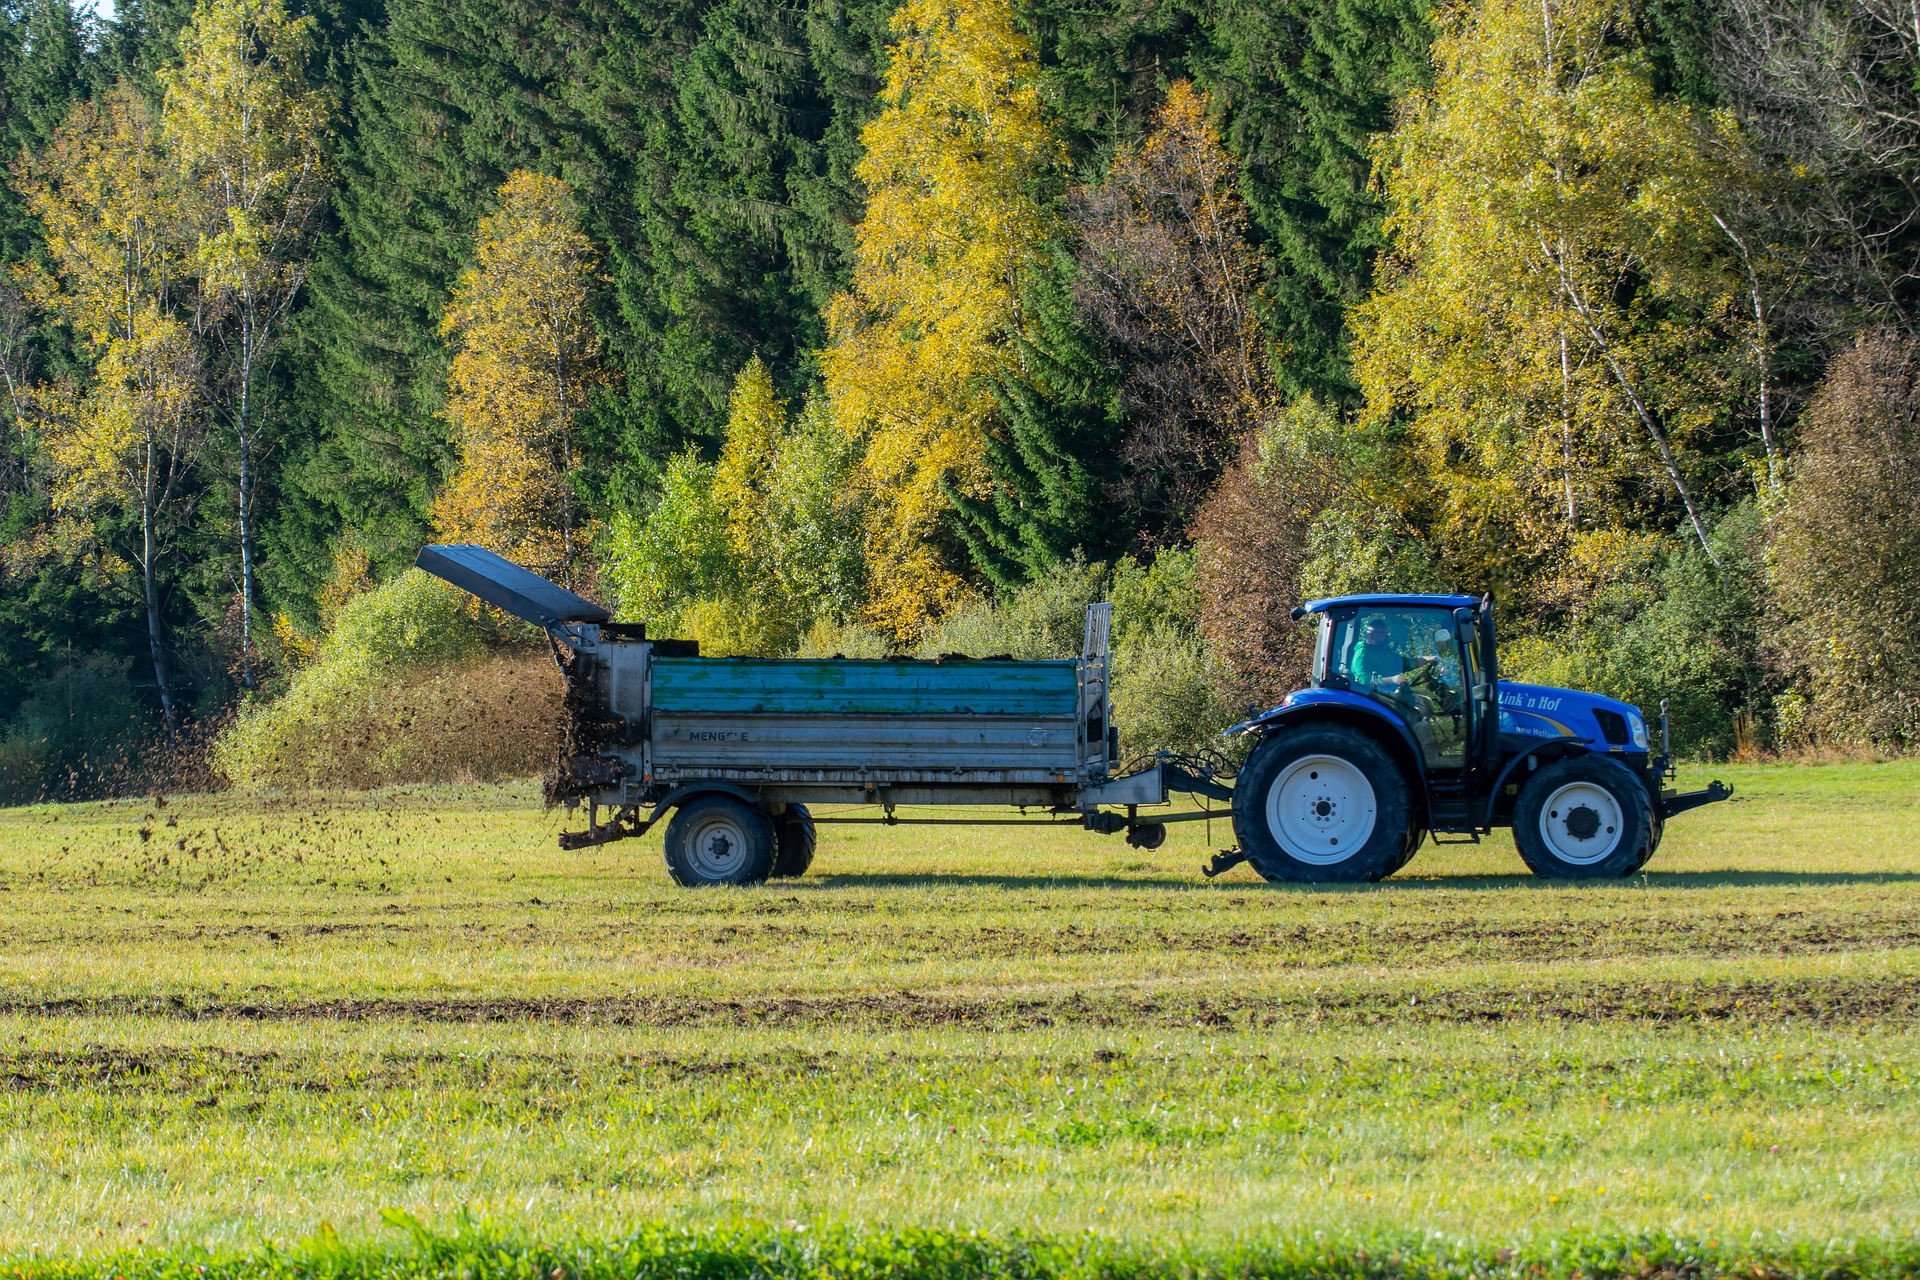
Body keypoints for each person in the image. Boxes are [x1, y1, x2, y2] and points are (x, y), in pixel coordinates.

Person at [1349, 615, 1411, 691]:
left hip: (1392, 693)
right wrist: (1392, 680)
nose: (1387, 636)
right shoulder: (1362, 654)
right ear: (1371, 635)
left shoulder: (1383, 650)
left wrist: (1426, 659)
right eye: (1383, 633)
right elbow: (1365, 681)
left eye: (1387, 632)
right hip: (1374, 696)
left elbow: (1404, 663)